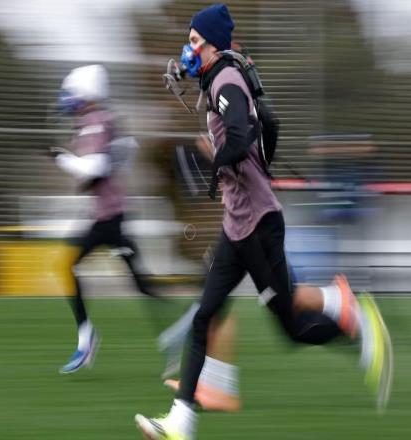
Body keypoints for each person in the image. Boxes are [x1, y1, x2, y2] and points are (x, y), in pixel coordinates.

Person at [135, 4, 392, 439]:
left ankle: (355, 319)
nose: (188, 48)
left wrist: (216, 161)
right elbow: (258, 126)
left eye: (194, 41)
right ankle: (181, 422)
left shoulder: (226, 81)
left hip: (257, 227)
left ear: (212, 44)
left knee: (294, 327)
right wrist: (238, 163)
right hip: (238, 226)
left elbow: (240, 136)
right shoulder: (220, 78)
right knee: (204, 316)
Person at [51, 64, 157, 374]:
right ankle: (186, 321)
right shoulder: (95, 121)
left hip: (109, 217)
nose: (67, 99)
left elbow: (94, 168)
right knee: (140, 284)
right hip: (107, 215)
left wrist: (61, 158)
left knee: (72, 266)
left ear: (86, 93)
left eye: (72, 93)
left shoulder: (96, 122)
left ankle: (87, 339)